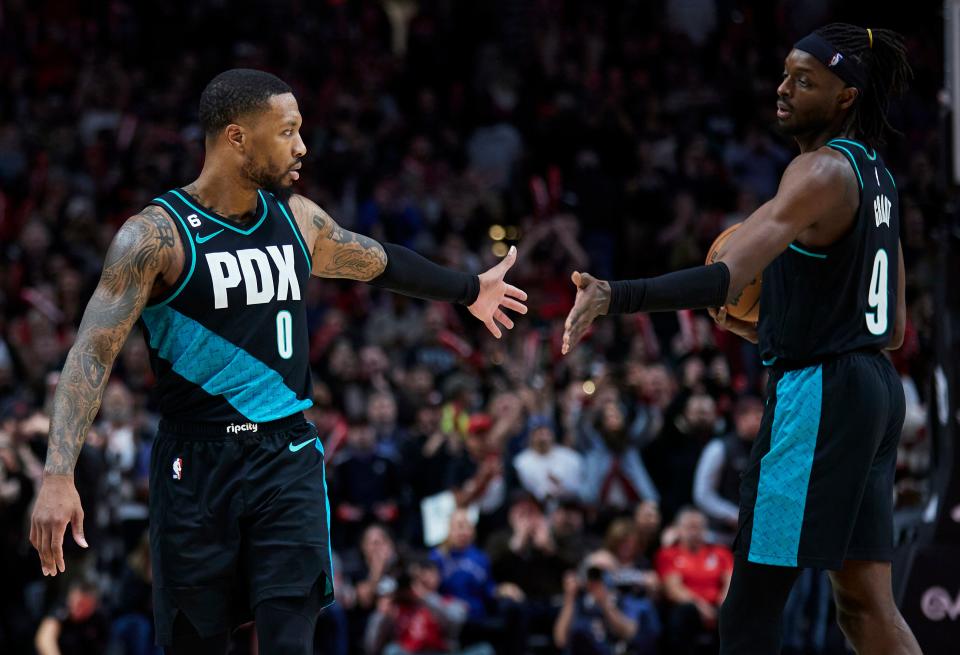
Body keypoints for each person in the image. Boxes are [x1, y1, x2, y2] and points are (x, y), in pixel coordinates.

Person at [29, 68, 528, 655]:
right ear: (237, 137)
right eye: (288, 131)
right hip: (195, 464)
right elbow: (91, 351)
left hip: (285, 455)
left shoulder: (297, 219)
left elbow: (380, 262)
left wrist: (470, 289)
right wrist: (59, 474)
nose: (302, 146)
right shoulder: (154, 237)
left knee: (291, 639)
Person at [562, 24, 921, 654]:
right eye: (784, 74)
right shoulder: (876, 175)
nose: (782, 89)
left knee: (749, 609)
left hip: (818, 395)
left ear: (845, 97)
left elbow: (727, 275)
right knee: (867, 609)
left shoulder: (818, 171)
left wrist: (613, 295)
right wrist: (770, 321)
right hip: (873, 389)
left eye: (804, 80)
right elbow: (886, 327)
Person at [654, 508, 733, 654]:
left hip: (717, 606)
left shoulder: (721, 553)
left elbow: (730, 581)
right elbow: (674, 590)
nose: (694, 532)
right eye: (690, 527)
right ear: (678, 529)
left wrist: (723, 605)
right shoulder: (668, 554)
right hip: (689, 608)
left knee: (731, 613)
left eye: (699, 527)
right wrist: (700, 606)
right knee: (684, 612)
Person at [692, 395, 763, 543]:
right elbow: (702, 493)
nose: (760, 419)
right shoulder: (719, 448)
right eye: (756, 415)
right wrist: (732, 514)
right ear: (740, 418)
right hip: (720, 535)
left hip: (754, 535)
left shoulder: (765, 449)